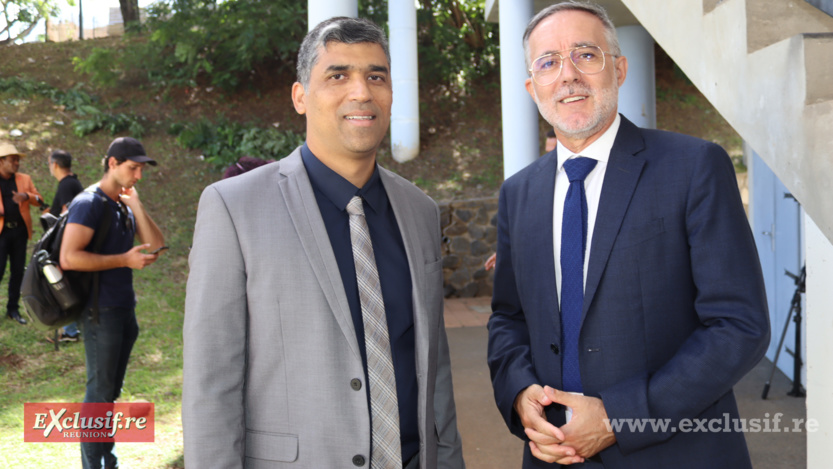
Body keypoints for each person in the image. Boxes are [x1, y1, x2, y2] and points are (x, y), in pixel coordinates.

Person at [487, 2, 770, 468]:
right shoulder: (518, 193)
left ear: (618, 69)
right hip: (551, 455)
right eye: (548, 62)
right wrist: (519, 395)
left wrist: (621, 418)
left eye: (586, 54)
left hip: (674, 453)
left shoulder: (693, 167)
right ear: (531, 86)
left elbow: (738, 324)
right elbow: (508, 319)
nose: (568, 75)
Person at [183, 17, 465, 469]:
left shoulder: (420, 211)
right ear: (300, 97)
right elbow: (210, 384)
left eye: (377, 76)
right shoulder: (233, 208)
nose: (361, 92)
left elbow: (435, 370)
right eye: (338, 75)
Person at [60, 136, 165, 469]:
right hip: (99, 311)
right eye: (133, 168)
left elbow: (156, 245)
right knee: (99, 395)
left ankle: (108, 462)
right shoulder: (88, 203)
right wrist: (123, 260)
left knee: (109, 394)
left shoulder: (121, 203)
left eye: (141, 169)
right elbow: (69, 257)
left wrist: (136, 205)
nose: (138, 176)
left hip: (122, 310)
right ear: (112, 164)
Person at [0, 141, 45, 325]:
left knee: (18, 272)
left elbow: (40, 199)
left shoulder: (23, 179)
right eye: (13, 160)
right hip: (1, 233)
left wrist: (27, 196)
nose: (17, 163)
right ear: (1, 161)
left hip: (19, 232)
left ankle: (13, 310)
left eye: (18, 160)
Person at [46, 149, 84, 342]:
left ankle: (70, 331)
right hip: (71, 244)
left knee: (65, 286)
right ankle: (70, 329)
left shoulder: (67, 185)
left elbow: (68, 214)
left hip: (68, 245)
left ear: (55, 165)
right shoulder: (70, 183)